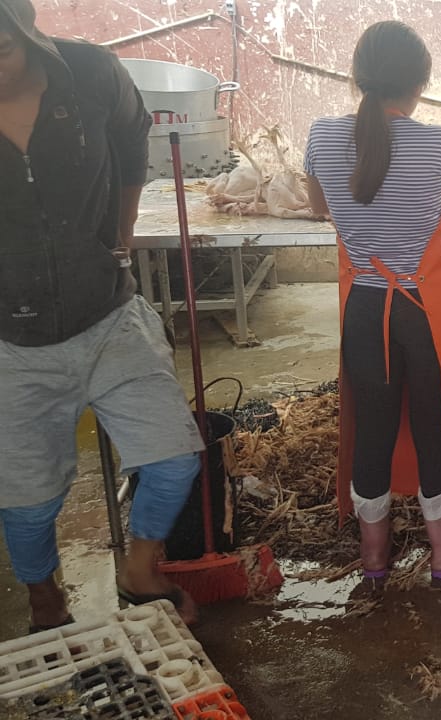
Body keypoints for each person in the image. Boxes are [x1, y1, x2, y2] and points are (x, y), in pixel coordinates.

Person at [0, 0, 206, 630]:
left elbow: (131, 135)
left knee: (174, 458)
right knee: (28, 504)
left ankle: (140, 568)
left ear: (25, 30)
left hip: (106, 316)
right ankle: (45, 596)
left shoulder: (90, 73)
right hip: (10, 338)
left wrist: (118, 236)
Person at [304, 21, 441, 590]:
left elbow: (317, 206)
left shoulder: (321, 137)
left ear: (358, 77)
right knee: (434, 425)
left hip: (364, 305)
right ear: (422, 81)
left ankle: (374, 556)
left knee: (373, 429)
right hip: (422, 307)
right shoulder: (439, 143)